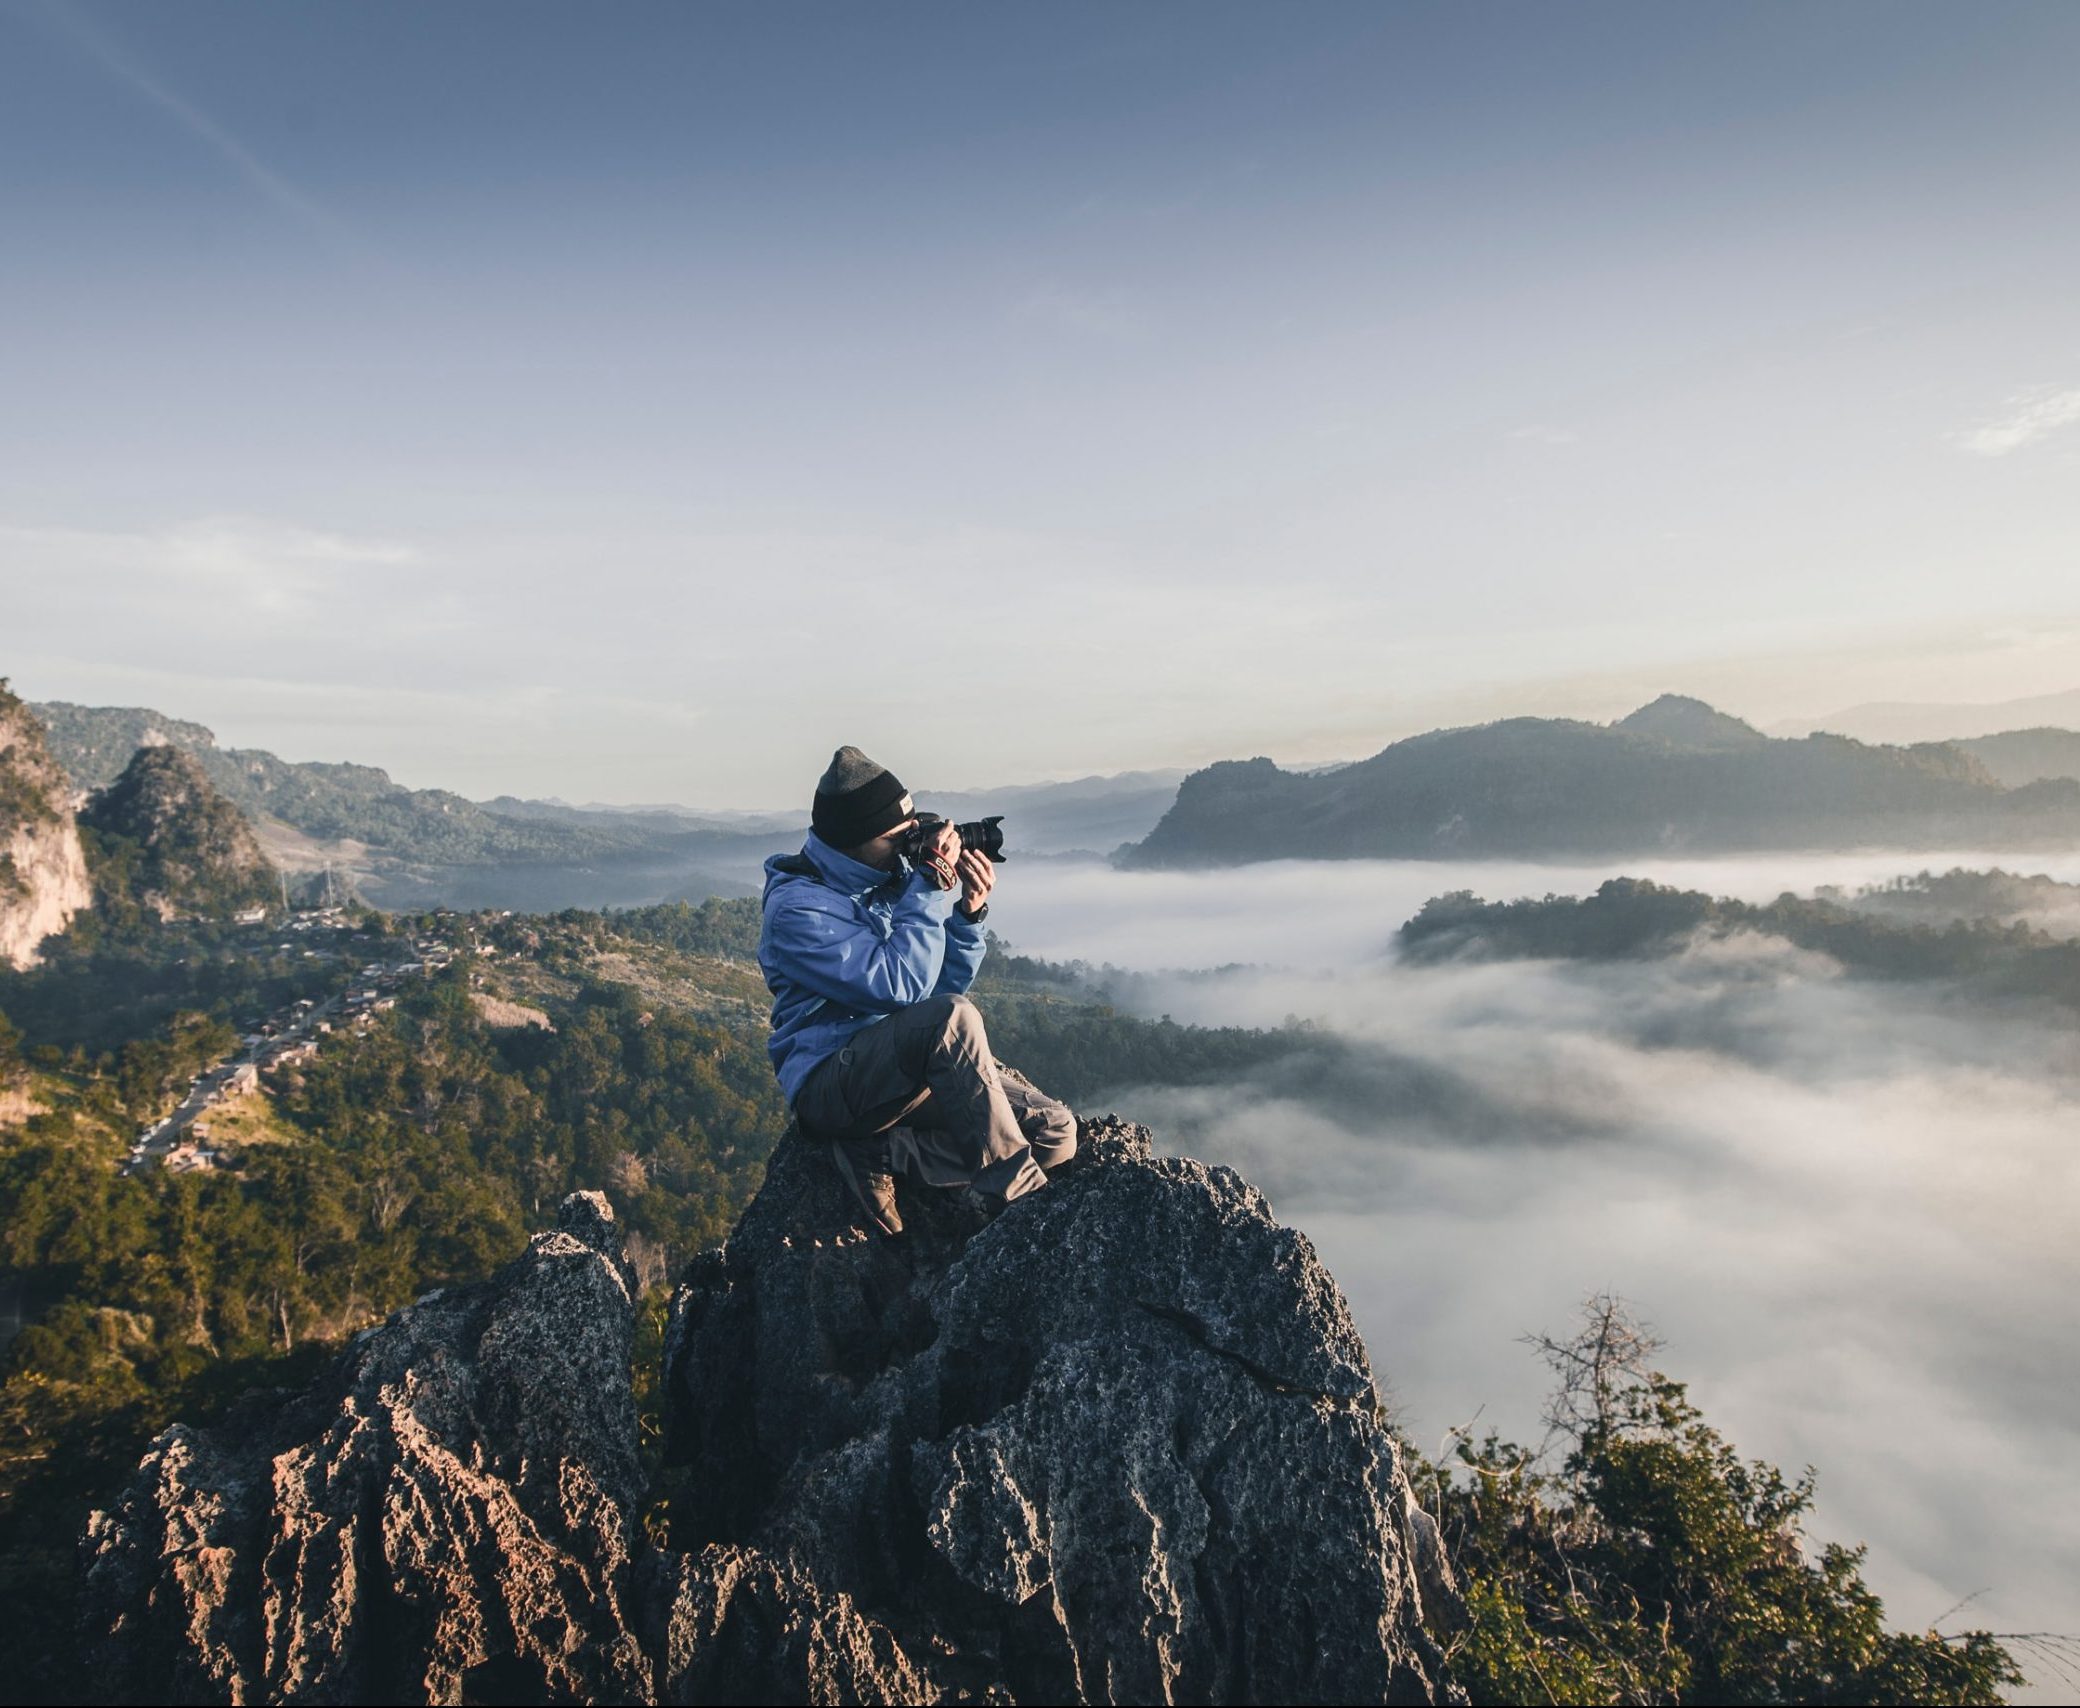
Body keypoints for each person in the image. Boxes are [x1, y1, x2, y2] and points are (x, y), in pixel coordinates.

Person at [757, 745, 1077, 1236]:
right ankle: (1019, 1207)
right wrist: (927, 885)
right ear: (852, 840)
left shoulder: (885, 881)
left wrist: (968, 917)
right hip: (833, 1084)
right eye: (897, 838)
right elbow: (903, 990)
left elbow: (933, 994)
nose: (909, 848)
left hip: (899, 1071)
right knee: (954, 1017)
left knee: (1054, 1133)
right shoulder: (799, 910)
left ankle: (883, 1151)